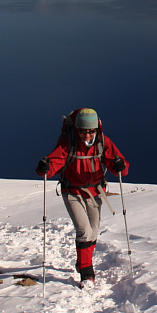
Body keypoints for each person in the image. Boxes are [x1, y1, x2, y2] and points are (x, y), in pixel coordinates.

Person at [36, 108, 129, 287]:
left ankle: (82, 262)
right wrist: (44, 168)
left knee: (93, 231)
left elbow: (119, 166)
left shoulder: (103, 142)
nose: (87, 135)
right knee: (84, 230)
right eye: (82, 131)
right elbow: (54, 163)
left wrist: (120, 165)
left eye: (91, 131)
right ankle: (87, 273)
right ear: (76, 129)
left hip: (95, 192)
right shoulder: (68, 143)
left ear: (96, 130)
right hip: (72, 191)